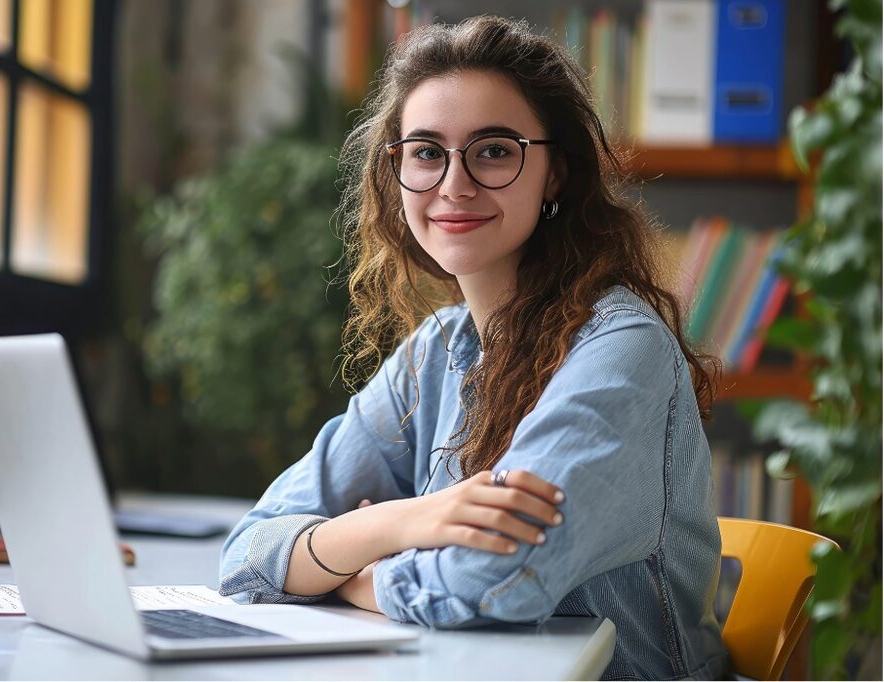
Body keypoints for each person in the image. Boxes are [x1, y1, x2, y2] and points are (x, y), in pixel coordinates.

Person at [219, 15, 728, 680]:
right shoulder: (436, 351)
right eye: (427, 153)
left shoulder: (620, 349)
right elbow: (248, 553)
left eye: (493, 150)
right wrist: (408, 522)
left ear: (554, 174)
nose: (454, 185)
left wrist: (347, 573)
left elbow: (492, 586)